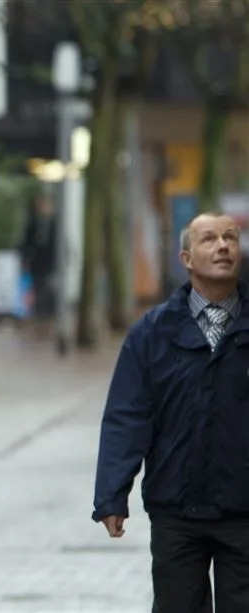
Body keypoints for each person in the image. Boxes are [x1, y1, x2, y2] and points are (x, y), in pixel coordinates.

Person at [93, 212, 249, 613]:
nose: (223, 247)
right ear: (186, 258)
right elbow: (128, 414)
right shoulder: (152, 333)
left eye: (230, 238)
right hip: (177, 510)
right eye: (209, 239)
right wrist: (112, 494)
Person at [19, 194, 57, 338]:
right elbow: (26, 242)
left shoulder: (55, 224)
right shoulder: (33, 223)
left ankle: (47, 319)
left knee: (49, 291)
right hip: (37, 264)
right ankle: (38, 319)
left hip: (50, 264)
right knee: (37, 289)